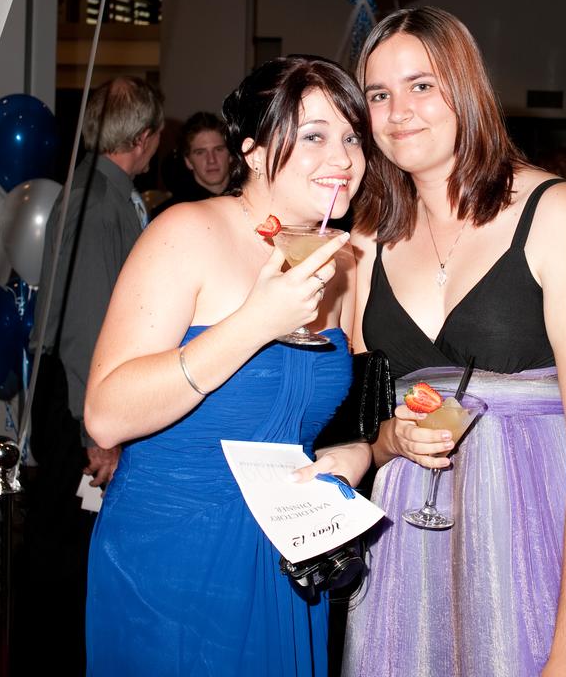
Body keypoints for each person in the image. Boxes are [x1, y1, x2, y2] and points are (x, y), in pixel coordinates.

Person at [343, 8, 566, 677]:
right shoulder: (365, 239)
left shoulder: (560, 216)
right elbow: (348, 409)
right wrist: (389, 437)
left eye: (421, 86)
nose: (398, 112)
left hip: (533, 532)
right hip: (410, 535)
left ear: (466, 88)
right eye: (379, 94)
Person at [83, 56, 373, 676]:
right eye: (315, 135)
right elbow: (105, 415)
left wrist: (360, 453)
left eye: (352, 136)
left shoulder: (341, 264)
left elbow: (340, 412)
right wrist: (252, 323)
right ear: (257, 151)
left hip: (288, 552)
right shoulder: (185, 232)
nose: (344, 158)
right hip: (172, 560)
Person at [21, 76, 164, 676]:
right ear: (142, 136)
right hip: (79, 402)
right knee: (65, 559)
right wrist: (97, 432)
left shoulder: (111, 193)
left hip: (86, 394)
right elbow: (83, 327)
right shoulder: (95, 202)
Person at [153, 111, 231, 215]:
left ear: (231, 155)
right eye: (200, 152)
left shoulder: (250, 199)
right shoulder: (169, 214)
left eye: (218, 149)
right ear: (188, 161)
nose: (211, 160)